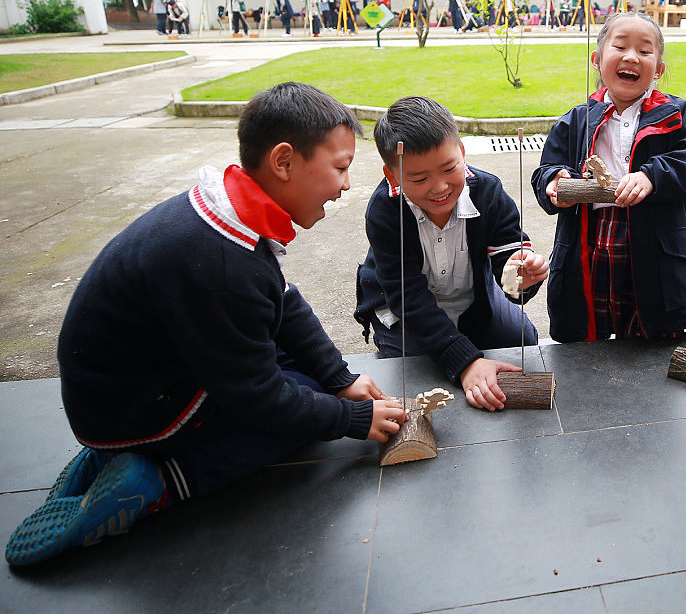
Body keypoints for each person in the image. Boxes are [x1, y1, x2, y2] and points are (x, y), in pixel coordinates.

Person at [4, 83, 408, 567]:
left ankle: (116, 456)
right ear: (283, 162)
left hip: (132, 379)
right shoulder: (222, 266)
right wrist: (352, 419)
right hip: (129, 409)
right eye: (340, 168)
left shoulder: (227, 212)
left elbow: (283, 303)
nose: (345, 185)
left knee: (307, 382)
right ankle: (158, 483)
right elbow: (259, 399)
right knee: (296, 416)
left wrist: (340, 379)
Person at [354, 96, 549, 411]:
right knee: (412, 374)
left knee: (522, 335)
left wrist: (521, 275)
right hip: (405, 311)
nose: (440, 187)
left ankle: (465, 335)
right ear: (393, 176)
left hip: (471, 297)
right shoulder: (385, 212)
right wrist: (467, 363)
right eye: (419, 179)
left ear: (461, 152)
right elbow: (408, 299)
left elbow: (509, 254)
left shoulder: (488, 192)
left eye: (449, 168)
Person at [532, 12, 686, 342]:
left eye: (645, 52)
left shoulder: (673, 115)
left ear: (658, 69)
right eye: (619, 46)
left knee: (651, 348)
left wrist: (651, 176)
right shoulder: (576, 120)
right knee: (588, 347)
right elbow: (546, 169)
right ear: (597, 59)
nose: (631, 56)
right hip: (588, 252)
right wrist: (554, 181)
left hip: (653, 256)